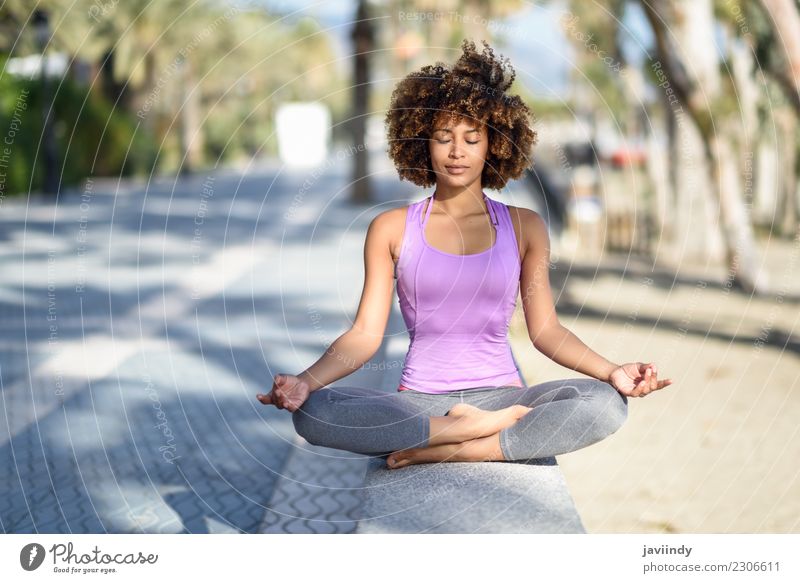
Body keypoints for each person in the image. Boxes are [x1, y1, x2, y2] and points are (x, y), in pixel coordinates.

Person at [257, 39, 673, 470]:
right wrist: (304, 382)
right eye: (443, 138)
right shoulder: (391, 228)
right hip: (419, 405)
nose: (457, 152)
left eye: (472, 139)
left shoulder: (525, 226)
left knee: (605, 404)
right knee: (314, 413)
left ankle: (473, 444)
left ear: (493, 144)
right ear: (423, 143)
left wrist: (612, 372)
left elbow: (546, 330)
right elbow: (364, 336)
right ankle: (456, 430)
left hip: (502, 395)